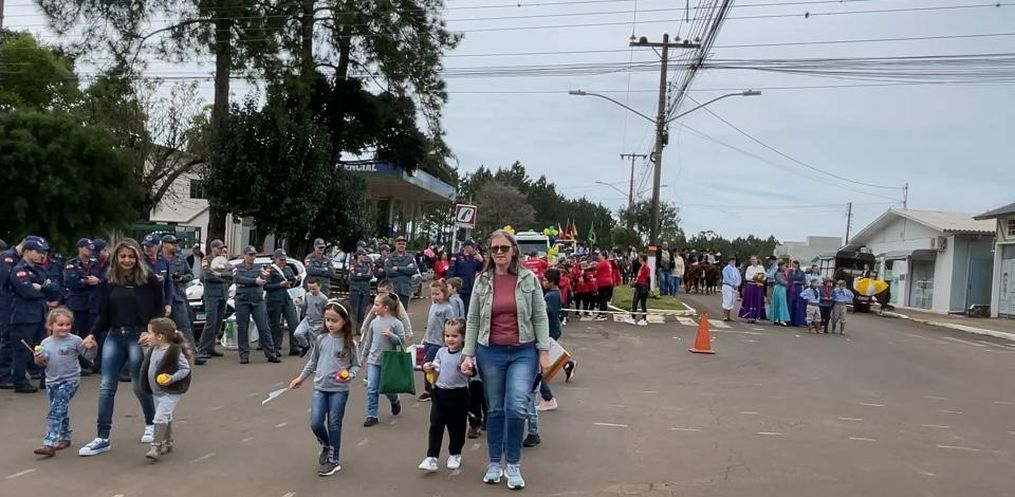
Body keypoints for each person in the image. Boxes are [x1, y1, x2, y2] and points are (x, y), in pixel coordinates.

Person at [459, 229, 551, 490]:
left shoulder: (529, 279)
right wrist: (467, 355)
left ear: (514, 251)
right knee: (496, 408)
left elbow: (540, 316)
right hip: (490, 351)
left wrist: (543, 352)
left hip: (523, 351)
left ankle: (513, 464)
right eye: (494, 248)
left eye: (504, 248)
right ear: (489, 253)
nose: (499, 252)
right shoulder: (482, 281)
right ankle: (493, 463)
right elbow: (473, 319)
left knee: (517, 405)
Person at [79, 239, 163, 457]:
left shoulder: (150, 280)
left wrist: (151, 332)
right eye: (123, 256)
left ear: (138, 257)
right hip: (115, 336)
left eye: (131, 256)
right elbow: (103, 314)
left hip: (139, 337)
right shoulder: (109, 281)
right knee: (106, 385)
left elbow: (159, 311)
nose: (127, 260)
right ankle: (102, 437)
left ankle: (151, 424)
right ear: (116, 257)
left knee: (138, 385)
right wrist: (92, 334)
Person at [289, 300, 359, 477]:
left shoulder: (350, 344)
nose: (330, 324)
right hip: (320, 387)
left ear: (345, 321)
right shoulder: (321, 339)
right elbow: (313, 362)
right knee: (315, 422)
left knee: (334, 424)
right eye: (327, 320)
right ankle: (326, 445)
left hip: (339, 390)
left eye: (334, 320)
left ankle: (334, 461)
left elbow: (355, 365)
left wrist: (350, 375)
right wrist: (300, 378)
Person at [32, 308, 98, 456]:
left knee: (55, 410)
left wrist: (93, 347)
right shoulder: (45, 342)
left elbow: (89, 356)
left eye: (68, 324)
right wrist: (39, 358)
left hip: (70, 380)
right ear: (50, 326)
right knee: (60, 408)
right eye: (60, 325)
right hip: (51, 381)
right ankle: (65, 436)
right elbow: (41, 363)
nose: (65, 328)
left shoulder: (75, 340)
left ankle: (49, 443)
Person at [8, 236, 61, 393]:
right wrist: (44, 290)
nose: (42, 255)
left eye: (43, 252)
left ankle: (46, 379)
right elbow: (28, 292)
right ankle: (19, 381)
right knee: (22, 351)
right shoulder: (19, 270)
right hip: (23, 318)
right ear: (27, 252)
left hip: (40, 316)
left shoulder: (41, 270)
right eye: (38, 252)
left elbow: (56, 288)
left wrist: (41, 287)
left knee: (43, 349)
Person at [418, 317, 470, 472]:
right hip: (439, 393)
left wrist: (468, 370)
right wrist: (428, 367)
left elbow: (472, 371)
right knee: (436, 424)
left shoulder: (465, 355)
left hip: (459, 394)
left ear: (463, 337)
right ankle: (432, 457)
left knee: (457, 426)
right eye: (447, 336)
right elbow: (436, 367)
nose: (450, 339)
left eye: (455, 336)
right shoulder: (440, 352)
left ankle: (455, 453)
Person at [139, 317, 192, 461]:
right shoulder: (154, 349)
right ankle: (167, 442)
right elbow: (149, 361)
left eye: (150, 333)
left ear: (160, 336)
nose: (147, 335)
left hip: (170, 392)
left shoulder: (174, 351)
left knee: (159, 417)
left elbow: (185, 368)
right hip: (157, 391)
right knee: (165, 416)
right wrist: (144, 346)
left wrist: (172, 378)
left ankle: (155, 446)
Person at [359, 292, 405, 427]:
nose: (374, 307)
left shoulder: (396, 323)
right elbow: (368, 341)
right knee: (372, 388)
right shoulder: (374, 323)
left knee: (386, 388)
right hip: (373, 360)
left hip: (388, 362)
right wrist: (363, 356)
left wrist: (391, 335)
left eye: (377, 305)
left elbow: (401, 341)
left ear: (386, 308)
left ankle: (394, 399)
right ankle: (372, 415)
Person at [233, 246, 280, 364]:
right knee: (242, 328)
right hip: (242, 300)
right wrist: (254, 281)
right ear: (244, 255)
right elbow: (238, 279)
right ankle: (244, 355)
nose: (252, 257)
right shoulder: (237, 267)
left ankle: (271, 354)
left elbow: (264, 278)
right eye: (250, 254)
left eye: (254, 255)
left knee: (264, 327)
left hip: (257, 300)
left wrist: (251, 281)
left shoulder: (259, 267)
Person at [161, 235, 199, 363]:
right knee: (161, 328)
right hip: (162, 298)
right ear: (164, 244)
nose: (175, 245)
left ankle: (192, 354)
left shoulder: (180, 258)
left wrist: (182, 278)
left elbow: (190, 274)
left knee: (184, 326)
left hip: (178, 296)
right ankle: (164, 356)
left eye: (175, 243)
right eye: (172, 243)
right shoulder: (158, 258)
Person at [420, 280, 454, 402]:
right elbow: (430, 324)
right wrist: (424, 337)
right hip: (428, 341)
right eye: (432, 294)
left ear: (444, 293)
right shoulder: (433, 306)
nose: (434, 296)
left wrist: (446, 341)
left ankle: (430, 390)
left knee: (426, 364)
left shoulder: (448, 308)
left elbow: (449, 325)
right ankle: (430, 389)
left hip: (438, 342)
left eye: (437, 294)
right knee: (427, 366)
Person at [535, 268, 563, 413]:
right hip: (550, 331)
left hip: (549, 331)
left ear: (552, 282)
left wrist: (539, 305)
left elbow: (549, 311)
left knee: (537, 369)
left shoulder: (551, 295)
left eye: (545, 280)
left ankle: (548, 397)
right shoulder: (552, 293)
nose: (543, 282)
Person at [197, 239, 230, 360]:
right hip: (211, 295)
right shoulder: (207, 260)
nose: (222, 250)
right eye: (219, 248)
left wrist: (223, 275)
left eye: (222, 248)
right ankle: (202, 348)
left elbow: (230, 273)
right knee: (210, 322)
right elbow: (207, 276)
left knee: (218, 323)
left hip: (222, 294)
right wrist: (222, 277)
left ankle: (210, 347)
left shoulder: (223, 260)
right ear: (213, 248)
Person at [265, 249, 301, 357]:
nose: (283, 262)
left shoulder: (288, 269)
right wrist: (279, 285)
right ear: (275, 258)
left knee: (293, 322)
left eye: (284, 260)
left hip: (287, 298)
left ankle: (294, 346)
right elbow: (266, 286)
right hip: (274, 300)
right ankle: (275, 348)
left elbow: (292, 282)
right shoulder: (269, 269)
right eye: (281, 260)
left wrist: (296, 280)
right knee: (275, 324)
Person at [447, 240, 484, 312]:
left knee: (467, 309)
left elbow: (480, 268)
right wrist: (450, 286)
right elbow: (451, 271)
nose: (474, 248)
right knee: (456, 309)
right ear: (466, 247)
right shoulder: (457, 256)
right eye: (472, 246)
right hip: (459, 288)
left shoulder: (473, 258)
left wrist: (481, 260)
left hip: (470, 288)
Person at [294, 278, 329, 352]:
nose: (312, 291)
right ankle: (306, 346)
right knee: (297, 333)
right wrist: (299, 303)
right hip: (307, 319)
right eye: (310, 289)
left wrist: (324, 323)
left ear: (319, 287)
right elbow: (305, 306)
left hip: (318, 321)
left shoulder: (324, 299)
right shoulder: (307, 295)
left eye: (314, 289)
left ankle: (314, 354)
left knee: (315, 342)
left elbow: (326, 312)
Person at [385, 236, 417, 311]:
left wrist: (398, 268)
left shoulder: (410, 257)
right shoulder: (390, 257)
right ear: (395, 245)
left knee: (403, 312)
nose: (401, 246)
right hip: (393, 289)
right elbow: (388, 272)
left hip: (405, 289)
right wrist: (406, 270)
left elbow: (413, 270)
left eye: (403, 244)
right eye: (399, 244)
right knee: (391, 311)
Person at [347, 249, 373, 330]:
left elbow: (370, 276)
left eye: (365, 255)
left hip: (365, 290)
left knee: (363, 310)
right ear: (358, 255)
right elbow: (353, 276)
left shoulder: (368, 264)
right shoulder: (353, 264)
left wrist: (360, 275)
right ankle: (353, 328)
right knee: (354, 310)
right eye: (363, 255)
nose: (365, 256)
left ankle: (360, 328)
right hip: (355, 290)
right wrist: (364, 275)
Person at [738, 256, 768, 323]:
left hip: (758, 286)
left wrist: (760, 281)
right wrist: (754, 277)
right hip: (750, 286)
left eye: (754, 259)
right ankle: (749, 316)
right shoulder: (749, 268)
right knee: (750, 300)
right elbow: (747, 277)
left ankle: (757, 316)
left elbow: (765, 276)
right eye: (752, 260)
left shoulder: (761, 267)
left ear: (757, 260)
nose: (753, 261)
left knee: (757, 301)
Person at [627, 254, 651, 326]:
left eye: (639, 257)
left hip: (642, 287)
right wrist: (635, 283)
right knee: (636, 302)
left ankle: (641, 318)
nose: (638, 259)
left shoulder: (646, 268)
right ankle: (635, 318)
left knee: (638, 302)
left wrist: (648, 288)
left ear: (642, 258)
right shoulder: (642, 267)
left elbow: (647, 278)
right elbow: (639, 277)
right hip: (640, 286)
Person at [594, 251, 614, 321]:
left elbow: (595, 269)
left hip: (604, 283)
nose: (598, 257)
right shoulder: (608, 263)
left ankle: (603, 314)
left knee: (603, 299)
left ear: (603, 256)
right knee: (602, 299)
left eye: (599, 256)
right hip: (607, 283)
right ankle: (601, 313)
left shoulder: (603, 263)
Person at [768, 261, 790, 327]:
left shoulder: (784, 273)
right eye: (784, 266)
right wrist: (788, 282)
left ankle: (778, 319)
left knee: (780, 303)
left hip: (782, 288)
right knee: (780, 303)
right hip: (779, 288)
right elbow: (782, 282)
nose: (785, 267)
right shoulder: (778, 273)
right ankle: (780, 319)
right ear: (780, 266)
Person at [721, 257, 742, 322]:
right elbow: (726, 278)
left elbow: (739, 277)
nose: (733, 262)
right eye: (731, 261)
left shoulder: (736, 269)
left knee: (732, 301)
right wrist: (732, 284)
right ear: (729, 262)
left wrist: (738, 284)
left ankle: (729, 316)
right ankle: (725, 315)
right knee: (727, 300)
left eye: (734, 261)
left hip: (735, 287)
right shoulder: (726, 269)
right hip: (727, 286)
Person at [787, 261, 807, 327]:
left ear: (798, 265)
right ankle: (790, 320)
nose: (794, 265)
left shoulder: (802, 272)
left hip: (798, 289)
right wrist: (793, 275)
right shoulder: (790, 272)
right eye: (793, 264)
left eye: (795, 264)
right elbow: (788, 278)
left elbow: (804, 281)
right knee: (791, 304)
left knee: (798, 304)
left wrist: (797, 282)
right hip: (791, 289)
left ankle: (797, 321)